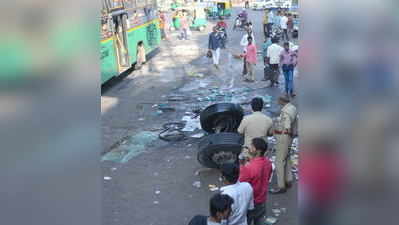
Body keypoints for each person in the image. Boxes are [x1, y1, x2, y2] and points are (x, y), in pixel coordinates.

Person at [239, 138, 273, 225]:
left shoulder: (248, 167)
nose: (249, 148)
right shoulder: (268, 163)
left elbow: (241, 185)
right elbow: (267, 177)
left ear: (257, 150)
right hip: (262, 199)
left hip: (250, 202)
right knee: (259, 220)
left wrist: (242, 166)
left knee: (247, 221)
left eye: (251, 146)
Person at [270, 96, 297, 194]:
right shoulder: (293, 108)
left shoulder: (285, 112)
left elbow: (287, 127)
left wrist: (279, 131)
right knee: (287, 158)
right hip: (289, 138)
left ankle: (281, 186)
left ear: (282, 101)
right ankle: (288, 180)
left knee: (279, 162)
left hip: (283, 137)